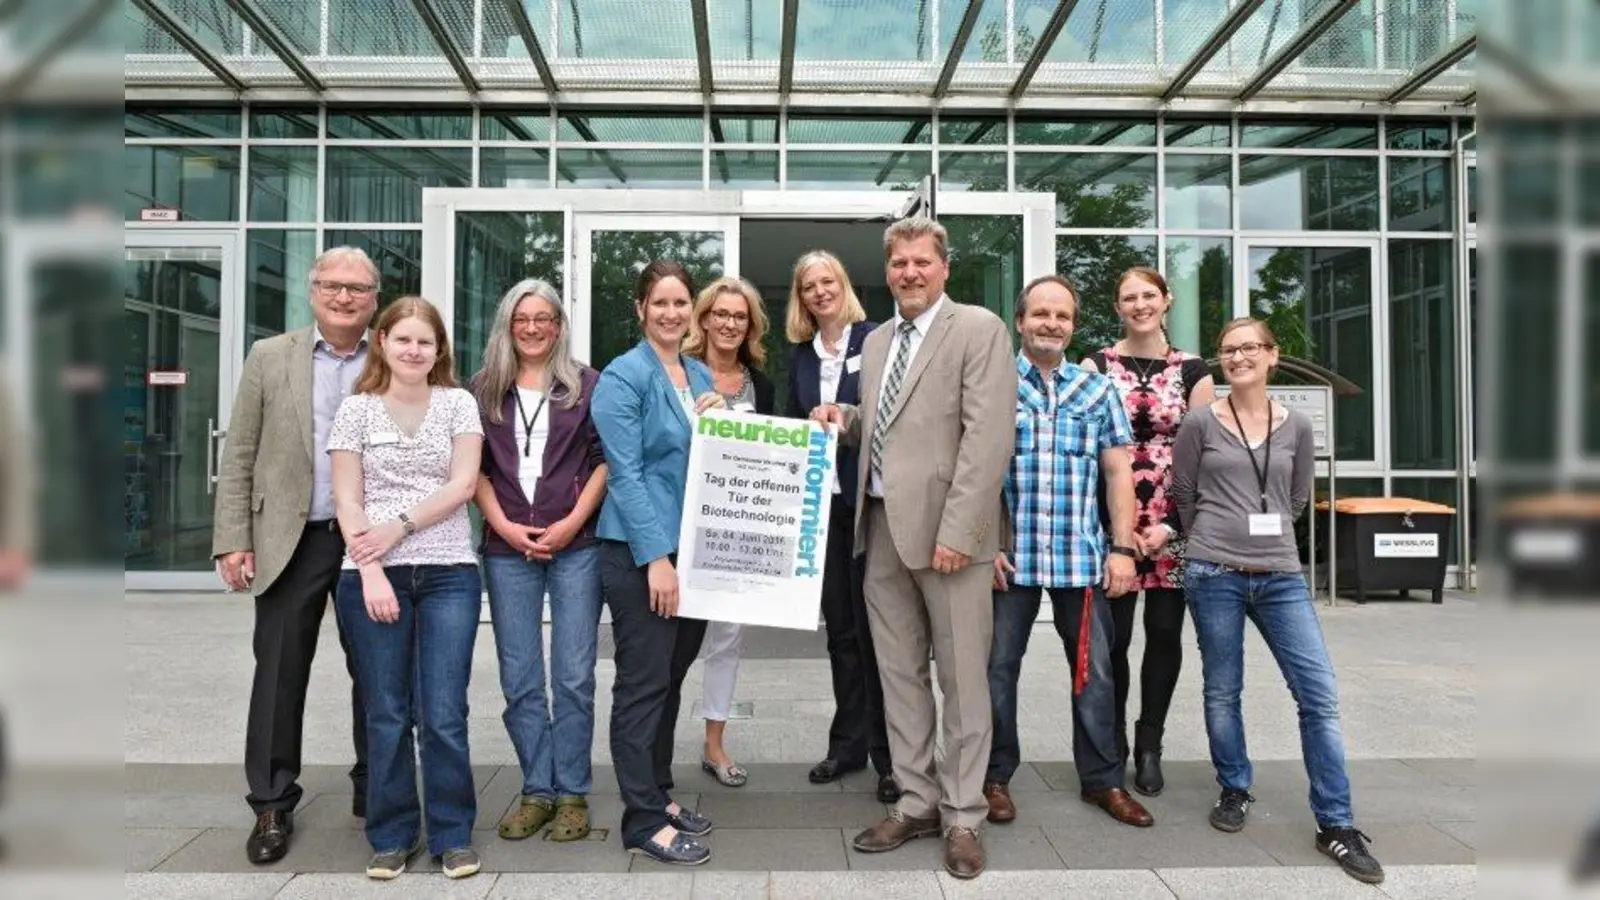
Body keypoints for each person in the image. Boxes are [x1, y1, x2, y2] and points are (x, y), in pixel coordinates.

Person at [811, 217, 1015, 880]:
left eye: (921, 262)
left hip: (948, 537)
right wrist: (841, 422)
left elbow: (987, 441)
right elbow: (881, 425)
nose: (909, 273)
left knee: (961, 682)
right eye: (898, 263)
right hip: (882, 532)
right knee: (899, 679)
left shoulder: (979, 329)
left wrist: (961, 531)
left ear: (944, 267)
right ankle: (916, 798)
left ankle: (962, 813)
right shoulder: (876, 343)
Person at [1171, 316, 1384, 886]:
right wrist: (1212, 537)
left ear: (1271, 356)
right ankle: (1234, 787)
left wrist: (1260, 537)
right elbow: (1183, 493)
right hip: (1213, 570)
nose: (1237, 357)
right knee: (1223, 688)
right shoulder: (1197, 422)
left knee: (1318, 695)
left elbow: (1295, 499)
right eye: (1227, 350)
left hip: (1281, 575)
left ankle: (1336, 824)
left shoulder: (1298, 427)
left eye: (1248, 348)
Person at [212, 246, 373, 865]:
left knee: (378, 671)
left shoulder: (392, 353)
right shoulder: (269, 356)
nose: (343, 296)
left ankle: (374, 787)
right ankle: (272, 802)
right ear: (313, 290)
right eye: (332, 285)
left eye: (356, 288)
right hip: (292, 537)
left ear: (374, 297)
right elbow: (241, 450)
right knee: (279, 672)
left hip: (369, 540)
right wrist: (233, 537)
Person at [982, 275, 1153, 831]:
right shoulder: (993, 382)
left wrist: (1122, 548)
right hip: (1010, 560)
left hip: (1080, 561)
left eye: (1062, 316)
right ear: (1020, 320)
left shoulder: (1097, 391)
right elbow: (971, 469)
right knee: (996, 671)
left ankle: (1103, 781)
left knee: (1094, 674)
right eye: (1040, 314)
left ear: (1073, 325)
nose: (1051, 324)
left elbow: (1117, 472)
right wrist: (983, 542)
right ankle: (994, 776)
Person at [328, 297, 485, 880]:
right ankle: (392, 835)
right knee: (387, 712)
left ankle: (452, 833)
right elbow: (347, 497)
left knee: (444, 712)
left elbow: (464, 484)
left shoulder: (458, 404)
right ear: (383, 343)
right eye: (403, 340)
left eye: (425, 341)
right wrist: (370, 569)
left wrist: (400, 527)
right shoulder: (357, 410)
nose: (414, 350)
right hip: (371, 577)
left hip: (448, 573)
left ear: (439, 349)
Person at [592, 260, 727, 866]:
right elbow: (626, 473)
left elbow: (704, 457)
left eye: (680, 303)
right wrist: (657, 560)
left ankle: (659, 792)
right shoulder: (624, 376)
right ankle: (641, 819)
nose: (671, 313)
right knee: (643, 684)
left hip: (692, 551)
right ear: (641, 308)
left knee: (671, 678)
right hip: (642, 553)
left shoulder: (695, 371)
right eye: (660, 303)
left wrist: (718, 422)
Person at [472, 279, 607, 843]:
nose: (532, 327)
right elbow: (472, 469)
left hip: (576, 547)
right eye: (522, 318)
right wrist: (502, 525)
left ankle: (572, 791)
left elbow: (604, 462)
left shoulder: (588, 385)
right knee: (521, 677)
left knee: (574, 677)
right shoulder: (482, 390)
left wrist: (572, 521)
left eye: (544, 318)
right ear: (508, 324)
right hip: (507, 551)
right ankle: (537, 789)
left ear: (558, 325)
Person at [1080, 266, 1215, 796]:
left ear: (1166, 300)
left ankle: (1150, 744)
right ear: (1118, 306)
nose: (1139, 305)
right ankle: (1108, 741)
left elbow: (1205, 455)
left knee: (1163, 635)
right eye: (1128, 297)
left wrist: (1171, 525)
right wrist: (1114, 527)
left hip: (1172, 521)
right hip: (1109, 518)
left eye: (1148, 296)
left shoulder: (1193, 370)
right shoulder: (1095, 365)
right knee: (1113, 640)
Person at [785, 250, 898, 804]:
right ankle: (847, 744)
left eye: (828, 281)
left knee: (878, 633)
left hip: (869, 509)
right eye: (809, 286)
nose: (820, 292)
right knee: (841, 635)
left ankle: (889, 755)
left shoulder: (877, 339)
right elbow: (786, 425)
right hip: (821, 511)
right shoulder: (799, 355)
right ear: (801, 298)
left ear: (843, 283)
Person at [681, 276, 775, 789]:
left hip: (738, 533)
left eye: (740, 316)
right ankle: (650, 748)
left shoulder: (762, 382)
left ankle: (714, 743)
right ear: (704, 318)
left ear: (750, 325)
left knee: (727, 641)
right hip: (682, 528)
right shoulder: (679, 373)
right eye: (720, 314)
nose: (729, 323)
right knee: (671, 645)